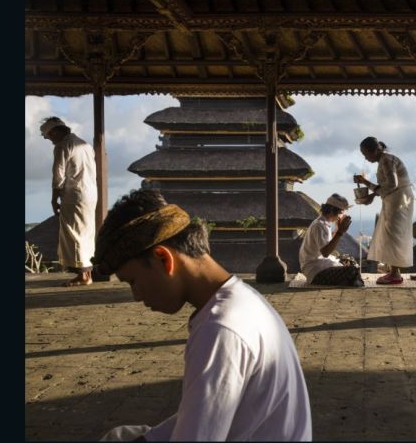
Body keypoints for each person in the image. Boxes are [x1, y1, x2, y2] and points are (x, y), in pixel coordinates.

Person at [92, 189, 312, 441]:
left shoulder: (220, 329)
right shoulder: (242, 299)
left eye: (133, 281)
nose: (136, 296)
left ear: (164, 259)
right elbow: (211, 410)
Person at [41, 117, 97, 287]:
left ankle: (83, 276)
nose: (49, 140)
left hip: (74, 196)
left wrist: (53, 198)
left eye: (48, 136)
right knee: (86, 233)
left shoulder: (62, 146)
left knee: (74, 235)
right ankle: (87, 273)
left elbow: (58, 175)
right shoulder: (85, 145)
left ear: (55, 132)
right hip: (90, 194)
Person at [353, 137, 414, 285]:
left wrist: (366, 183)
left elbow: (392, 184)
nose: (366, 158)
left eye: (366, 154)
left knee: (394, 233)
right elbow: (387, 185)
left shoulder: (386, 160)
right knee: (391, 233)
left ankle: (394, 274)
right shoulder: (384, 160)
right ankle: (394, 272)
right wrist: (372, 194)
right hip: (396, 198)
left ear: (375, 150)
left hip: (399, 199)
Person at [299, 194, 364, 287]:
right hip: (316, 271)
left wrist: (338, 229)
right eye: (341, 212)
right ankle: (351, 281)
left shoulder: (324, 223)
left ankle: (350, 281)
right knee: (352, 270)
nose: (341, 216)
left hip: (322, 266)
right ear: (332, 210)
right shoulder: (319, 225)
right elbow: (325, 252)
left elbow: (327, 243)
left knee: (349, 261)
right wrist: (340, 233)